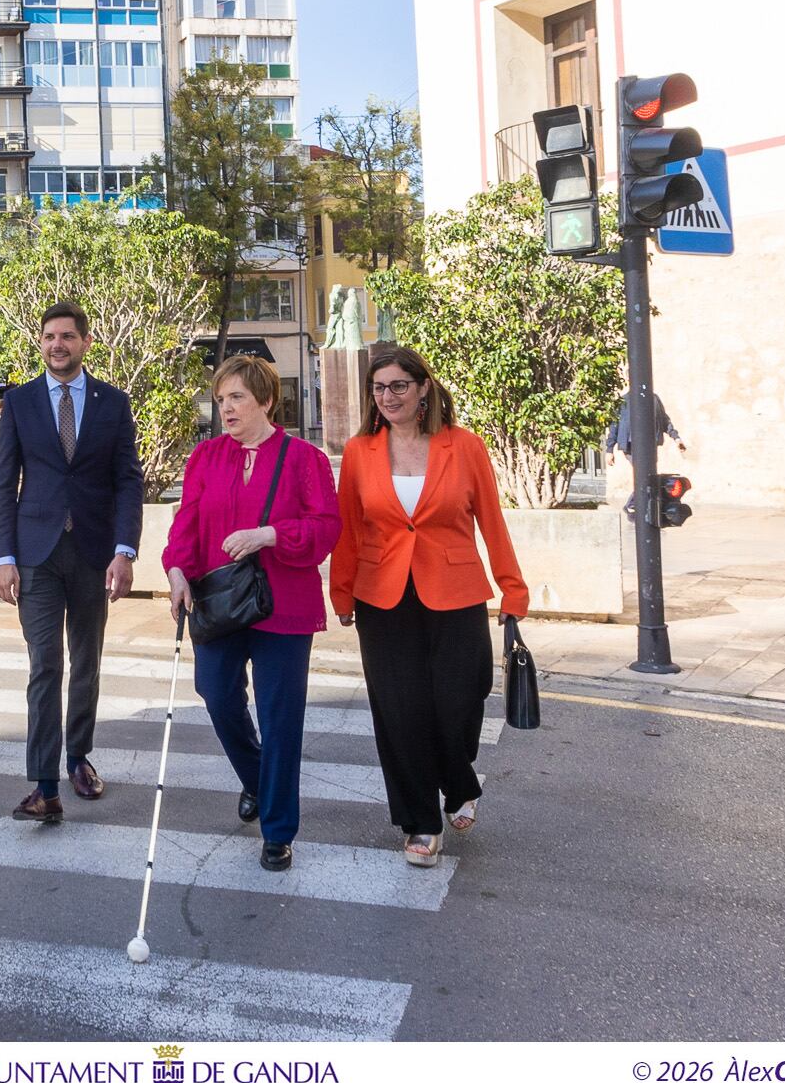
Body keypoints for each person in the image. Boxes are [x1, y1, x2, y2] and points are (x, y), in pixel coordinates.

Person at [331, 346, 529, 869]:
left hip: (456, 591)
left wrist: (513, 588)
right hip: (382, 596)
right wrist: (342, 590)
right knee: (399, 712)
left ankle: (460, 779)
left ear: (423, 389)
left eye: (398, 385)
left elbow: (492, 521)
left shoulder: (464, 447)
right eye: (379, 388)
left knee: (461, 699)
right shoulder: (359, 452)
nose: (388, 396)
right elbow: (349, 527)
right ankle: (420, 821)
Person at [163, 356, 339, 873]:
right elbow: (187, 524)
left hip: (284, 603)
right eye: (221, 400)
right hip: (219, 600)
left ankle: (278, 830)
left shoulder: (304, 458)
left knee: (281, 717)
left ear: (265, 399)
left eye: (236, 397)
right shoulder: (205, 458)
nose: (226, 409)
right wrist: (175, 569)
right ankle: (259, 779)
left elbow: (326, 527)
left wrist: (271, 535)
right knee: (215, 694)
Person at [0, 302, 143, 822]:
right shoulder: (19, 402)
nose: (58, 344)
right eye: (50, 336)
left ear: (85, 342)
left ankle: (78, 758)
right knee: (45, 666)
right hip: (35, 555)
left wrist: (125, 551)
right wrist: (4, 556)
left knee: (87, 661)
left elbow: (128, 480)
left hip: (93, 553)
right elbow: (3, 484)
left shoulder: (113, 403)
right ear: (42, 342)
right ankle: (43, 784)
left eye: (68, 336)